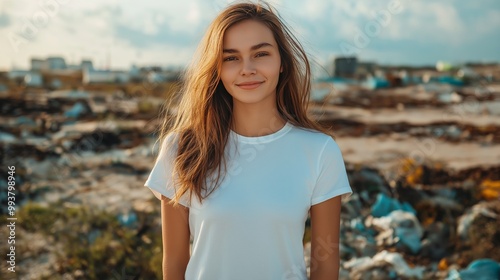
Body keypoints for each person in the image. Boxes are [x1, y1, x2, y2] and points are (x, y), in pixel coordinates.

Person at [144, 2, 352, 279]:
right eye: (231, 58)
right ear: (216, 69)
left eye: (261, 54)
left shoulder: (320, 151)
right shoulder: (181, 148)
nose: (247, 69)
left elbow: (325, 266)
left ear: (282, 63)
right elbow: (174, 263)